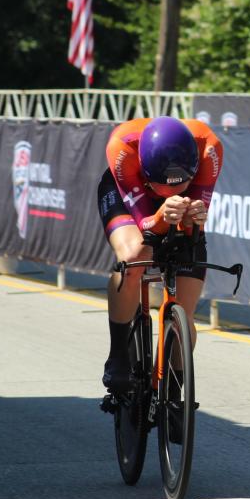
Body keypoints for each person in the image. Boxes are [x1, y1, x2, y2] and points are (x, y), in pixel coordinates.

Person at [96, 115, 223, 391]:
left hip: (179, 198)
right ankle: (118, 355)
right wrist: (163, 215)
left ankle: (171, 382)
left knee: (185, 303)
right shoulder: (122, 148)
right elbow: (146, 224)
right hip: (129, 196)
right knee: (132, 260)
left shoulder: (209, 149)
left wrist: (194, 216)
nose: (169, 193)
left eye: (178, 186)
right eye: (163, 189)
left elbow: (194, 224)